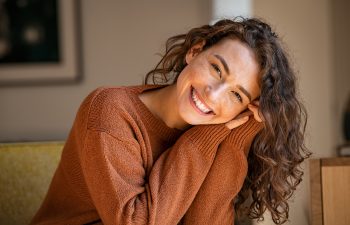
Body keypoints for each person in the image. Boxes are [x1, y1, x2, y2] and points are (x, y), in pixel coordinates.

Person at [30, 17, 310, 225]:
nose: (213, 95)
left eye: (237, 95)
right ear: (194, 51)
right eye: (216, 68)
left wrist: (241, 133)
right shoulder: (110, 111)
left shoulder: (217, 129)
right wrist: (207, 135)